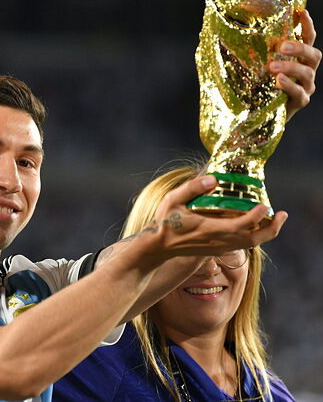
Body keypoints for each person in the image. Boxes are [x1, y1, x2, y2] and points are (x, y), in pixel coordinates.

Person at [0, 12, 319, 402]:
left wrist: (255, 126)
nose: (9, 179)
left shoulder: (35, 287)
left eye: (28, 162)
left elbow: (161, 260)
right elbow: (8, 367)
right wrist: (158, 245)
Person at [52, 166, 295, 401]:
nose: (209, 267)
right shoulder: (97, 366)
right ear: (146, 257)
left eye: (226, 244)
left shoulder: (275, 394)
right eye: (188, 248)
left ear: (251, 261)